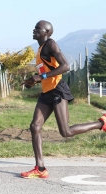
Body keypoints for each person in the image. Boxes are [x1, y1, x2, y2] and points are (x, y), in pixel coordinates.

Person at [20, 20, 106, 179]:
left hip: (57, 90)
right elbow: (45, 72)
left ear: (46, 32)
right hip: (46, 92)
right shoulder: (39, 49)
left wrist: (41, 76)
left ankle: (101, 123)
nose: (34, 30)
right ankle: (40, 168)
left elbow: (65, 66)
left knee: (65, 132)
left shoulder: (51, 44)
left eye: (37, 28)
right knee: (34, 126)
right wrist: (34, 81)